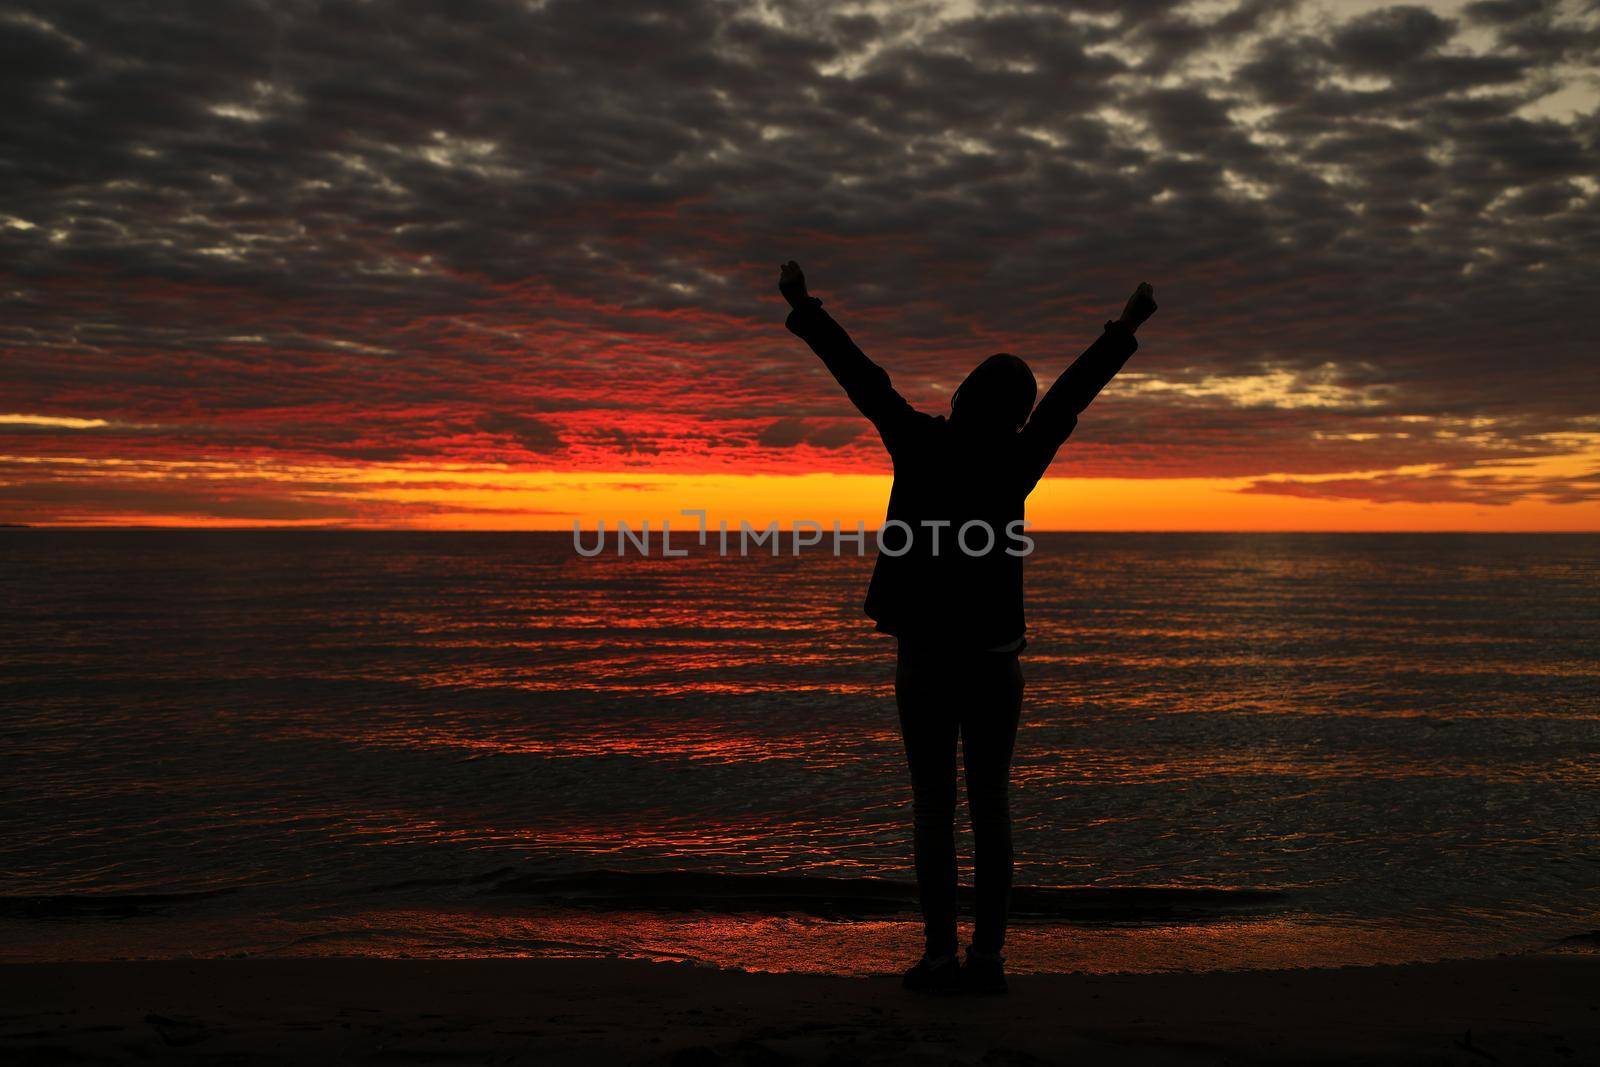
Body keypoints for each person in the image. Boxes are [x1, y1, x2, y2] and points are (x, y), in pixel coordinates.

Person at [777, 260, 1158, 994]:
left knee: (935, 807)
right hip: (990, 661)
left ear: (964, 393)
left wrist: (805, 307)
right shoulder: (1018, 459)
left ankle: (940, 955)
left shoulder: (920, 444)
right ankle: (985, 959)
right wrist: (1128, 324)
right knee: (990, 805)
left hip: (927, 658)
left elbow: (863, 380)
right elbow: (1074, 394)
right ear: (1018, 411)